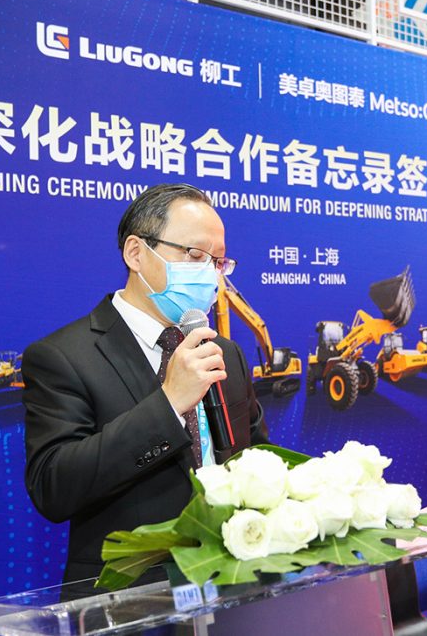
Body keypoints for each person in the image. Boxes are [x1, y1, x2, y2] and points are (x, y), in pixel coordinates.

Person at [22, 183, 269, 596]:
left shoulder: (225, 352)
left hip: (233, 589)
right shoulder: (63, 356)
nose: (210, 275)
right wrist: (169, 404)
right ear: (136, 253)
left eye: (218, 262)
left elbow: (258, 459)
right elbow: (54, 487)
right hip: (127, 599)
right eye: (195, 256)